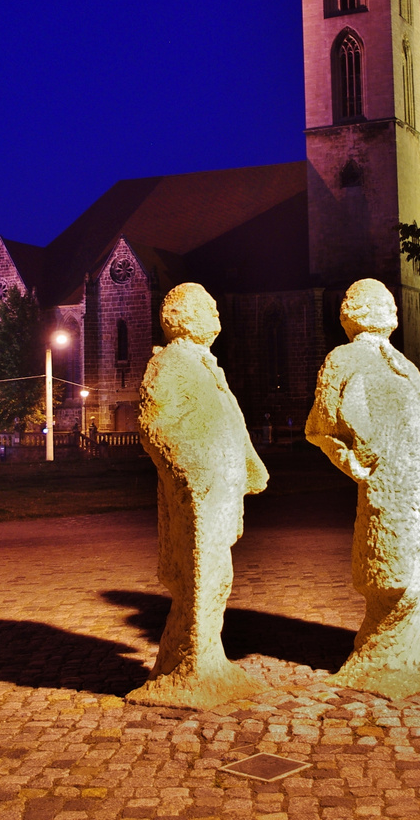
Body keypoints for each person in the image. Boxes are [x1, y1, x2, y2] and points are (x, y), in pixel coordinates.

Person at [306, 279, 420, 700]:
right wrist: (353, 464)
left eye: (389, 303)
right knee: (394, 569)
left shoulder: (402, 363)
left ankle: (407, 648)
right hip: (389, 485)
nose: (389, 310)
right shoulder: (344, 358)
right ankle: (379, 651)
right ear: (352, 313)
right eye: (375, 304)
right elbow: (321, 426)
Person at [128, 283, 269, 708]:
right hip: (198, 490)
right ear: (184, 318)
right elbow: (154, 426)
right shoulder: (170, 364)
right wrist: (188, 471)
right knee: (199, 574)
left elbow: (232, 420)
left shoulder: (209, 366)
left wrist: (249, 465)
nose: (217, 315)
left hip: (221, 487)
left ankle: (205, 656)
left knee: (218, 575)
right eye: (209, 308)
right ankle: (190, 661)